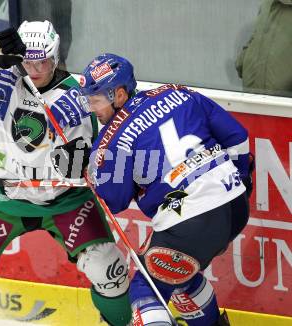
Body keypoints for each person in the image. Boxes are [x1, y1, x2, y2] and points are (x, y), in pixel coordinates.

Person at [0, 23, 132, 326]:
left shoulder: (79, 97)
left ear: (57, 57)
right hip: (2, 199)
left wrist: (80, 164)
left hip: (65, 200)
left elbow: (97, 155)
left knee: (109, 270)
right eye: (28, 61)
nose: (36, 69)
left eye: (44, 62)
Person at [79, 53, 254, 325]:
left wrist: (90, 170)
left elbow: (115, 200)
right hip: (236, 206)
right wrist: (241, 183)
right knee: (179, 272)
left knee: (145, 288)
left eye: (96, 100)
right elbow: (238, 138)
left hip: (190, 222)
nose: (92, 108)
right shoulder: (179, 93)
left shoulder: (112, 137)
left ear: (120, 94)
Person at [235, 0, 292, 97]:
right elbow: (256, 36)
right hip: (250, 98)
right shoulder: (267, 4)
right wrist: (242, 62)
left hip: (282, 105)